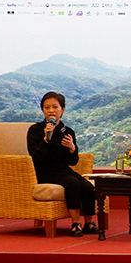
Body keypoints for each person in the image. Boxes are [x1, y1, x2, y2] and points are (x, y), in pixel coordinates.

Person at [27, 91, 98, 238]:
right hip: (44, 171)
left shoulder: (67, 131)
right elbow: (36, 156)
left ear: (62, 110)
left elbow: (73, 161)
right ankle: (76, 223)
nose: (51, 111)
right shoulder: (35, 130)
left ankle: (89, 223)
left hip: (63, 170)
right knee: (72, 183)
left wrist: (72, 148)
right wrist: (46, 139)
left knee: (87, 186)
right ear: (43, 110)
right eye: (47, 107)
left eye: (55, 107)